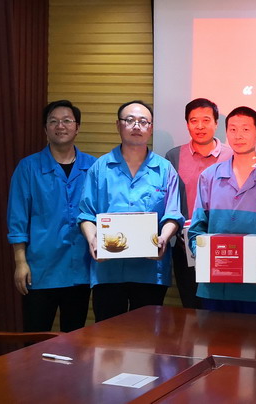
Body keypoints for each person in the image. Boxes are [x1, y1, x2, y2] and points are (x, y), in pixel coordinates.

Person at [78, 100, 184, 322]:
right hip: (108, 270)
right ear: (118, 125)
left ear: (151, 128)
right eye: (130, 120)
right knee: (108, 338)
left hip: (150, 270)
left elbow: (173, 215)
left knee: (147, 336)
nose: (137, 126)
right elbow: (86, 214)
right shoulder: (100, 168)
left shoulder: (164, 169)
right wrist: (93, 240)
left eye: (143, 121)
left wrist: (164, 238)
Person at [188, 106, 256, 315]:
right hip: (214, 287)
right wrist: (200, 253)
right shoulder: (210, 176)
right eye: (233, 129)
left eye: (246, 129)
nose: (238, 136)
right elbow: (197, 227)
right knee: (211, 336)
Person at [7, 100, 96, 332]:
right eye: (53, 121)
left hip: (81, 269)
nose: (60, 126)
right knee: (35, 337)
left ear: (77, 127)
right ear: (45, 128)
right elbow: (17, 219)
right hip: (40, 270)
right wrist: (20, 262)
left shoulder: (93, 167)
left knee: (75, 338)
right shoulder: (28, 167)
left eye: (67, 121)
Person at [165, 98, 232, 309]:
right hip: (185, 247)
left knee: (221, 311)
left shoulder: (232, 156)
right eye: (194, 121)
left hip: (224, 246)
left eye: (206, 120)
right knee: (192, 310)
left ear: (216, 123)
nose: (200, 126)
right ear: (187, 124)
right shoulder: (174, 156)